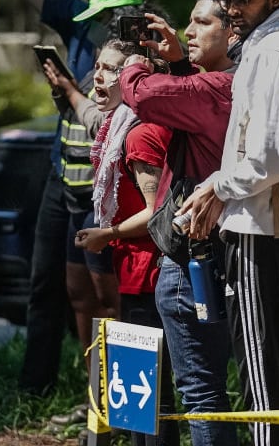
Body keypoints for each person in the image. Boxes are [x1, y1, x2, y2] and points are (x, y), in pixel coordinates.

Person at [0, 0, 155, 399]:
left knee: (112, 297)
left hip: (108, 189)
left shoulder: (144, 43)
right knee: (71, 293)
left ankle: (126, 403)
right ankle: (86, 395)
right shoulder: (79, 20)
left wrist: (72, 91)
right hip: (67, 176)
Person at [180, 0, 279, 446]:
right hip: (278, 225)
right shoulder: (276, 44)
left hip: (264, 229)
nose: (234, 9)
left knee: (264, 380)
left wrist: (218, 187)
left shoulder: (274, 50)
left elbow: (275, 153)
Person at [119, 0, 239, 446]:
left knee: (201, 394)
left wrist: (132, 63)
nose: (188, 30)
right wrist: (179, 60)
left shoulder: (217, 86)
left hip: (194, 260)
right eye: (189, 20)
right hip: (220, 254)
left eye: (202, 22)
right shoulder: (235, 82)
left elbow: (146, 97)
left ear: (233, 33)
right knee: (218, 391)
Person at [73, 39, 178, 446]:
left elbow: (156, 211)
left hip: (149, 274)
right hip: (133, 270)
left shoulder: (138, 135)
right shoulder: (119, 124)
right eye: (98, 66)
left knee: (146, 394)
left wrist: (109, 234)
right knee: (139, 393)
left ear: (137, 80)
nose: (99, 76)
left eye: (112, 70)